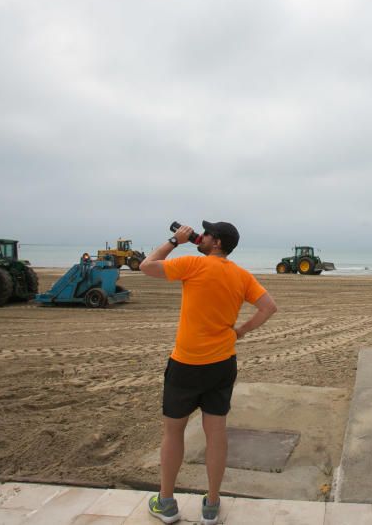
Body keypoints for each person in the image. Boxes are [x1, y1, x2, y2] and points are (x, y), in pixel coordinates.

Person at [140, 220, 277, 525]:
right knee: (216, 433)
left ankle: (166, 503)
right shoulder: (241, 275)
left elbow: (147, 266)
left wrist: (175, 241)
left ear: (215, 242)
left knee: (173, 431)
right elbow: (269, 307)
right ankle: (212, 506)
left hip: (186, 364)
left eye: (206, 234)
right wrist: (239, 332)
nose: (199, 237)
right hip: (221, 364)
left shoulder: (192, 264)